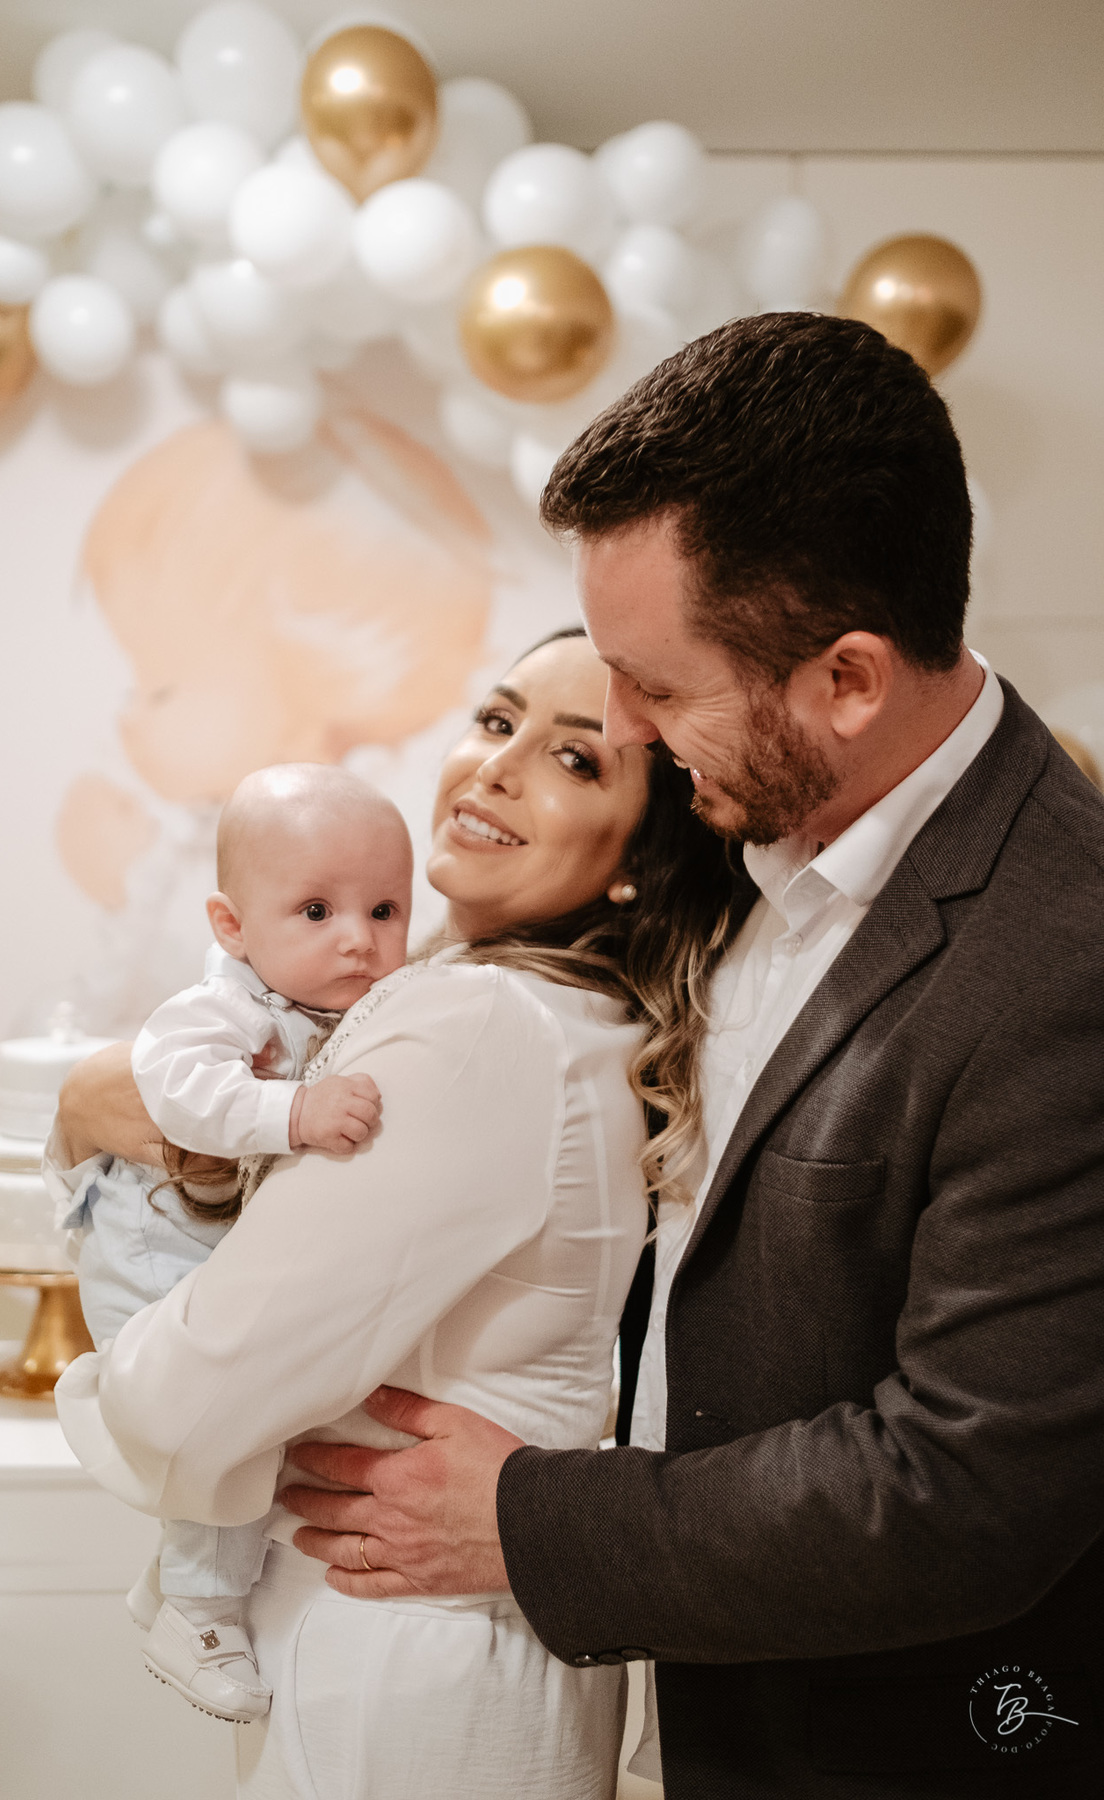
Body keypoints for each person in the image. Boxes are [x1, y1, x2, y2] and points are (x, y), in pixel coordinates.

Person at [274, 314, 1104, 1800]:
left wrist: (528, 1525)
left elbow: (966, 1490)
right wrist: (137, 1100)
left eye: (655, 688)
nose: (633, 734)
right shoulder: (746, 839)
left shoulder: (1067, 953)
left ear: (846, 680)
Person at [52, 628, 738, 1798]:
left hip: (406, 1661)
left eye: (577, 762)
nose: (499, 767)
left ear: (638, 857)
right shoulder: (575, 1018)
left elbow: (197, 1389)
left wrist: (113, 1371)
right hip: (447, 1652)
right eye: (496, 720)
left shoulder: (481, 1026)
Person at [55, 764, 413, 1722]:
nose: (359, 938)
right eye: (315, 910)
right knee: (223, 1426)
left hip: (210, 1257)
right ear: (231, 928)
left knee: (261, 1432)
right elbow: (178, 1093)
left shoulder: (344, 1006)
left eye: (385, 908)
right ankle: (200, 1615)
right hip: (150, 1254)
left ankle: (177, 1583)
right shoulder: (224, 1010)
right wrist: (294, 1111)